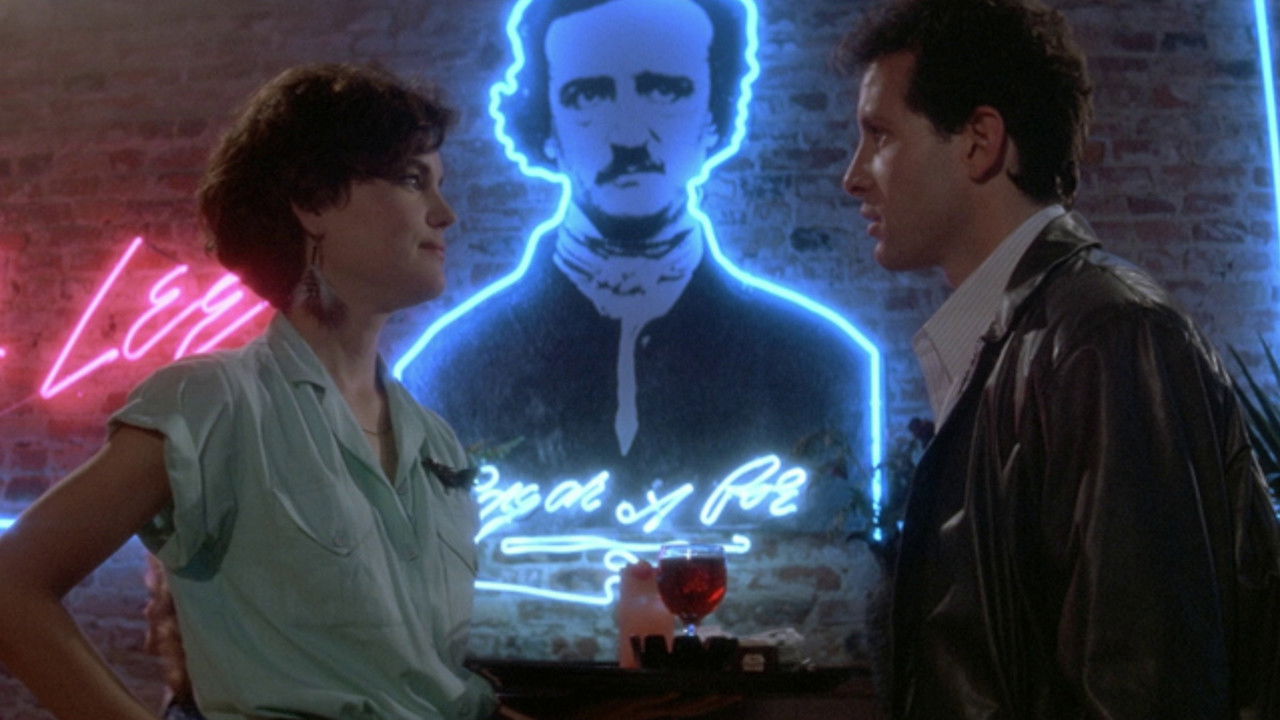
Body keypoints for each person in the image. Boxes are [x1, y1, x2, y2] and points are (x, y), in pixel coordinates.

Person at [0, 63, 498, 720]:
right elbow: (12, 587)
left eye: (440, 184)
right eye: (412, 180)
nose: (445, 213)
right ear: (312, 201)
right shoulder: (212, 402)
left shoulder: (435, 443)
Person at [838, 0, 1280, 717]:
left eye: (879, 135)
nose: (853, 176)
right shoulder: (1026, 340)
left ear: (980, 142)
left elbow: (1144, 689)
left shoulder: (1107, 337)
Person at [397, 0, 875, 528]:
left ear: (714, 117)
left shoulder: (820, 364)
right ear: (546, 127)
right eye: (589, 96)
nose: (628, 136)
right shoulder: (447, 371)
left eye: (664, 90)